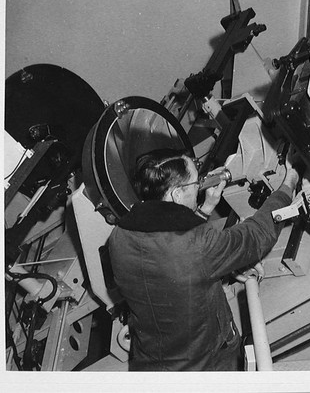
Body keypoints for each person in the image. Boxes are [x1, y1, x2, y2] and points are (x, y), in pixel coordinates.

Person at [107, 147, 299, 371]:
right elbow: (257, 236)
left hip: (150, 359)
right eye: (196, 183)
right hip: (205, 365)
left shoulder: (119, 235)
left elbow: (169, 259)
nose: (200, 187)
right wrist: (289, 182)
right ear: (177, 194)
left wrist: (205, 209)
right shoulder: (200, 245)